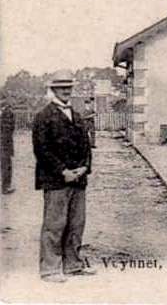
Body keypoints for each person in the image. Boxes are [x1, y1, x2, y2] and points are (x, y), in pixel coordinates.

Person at [32, 70, 95, 282]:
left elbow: (87, 146)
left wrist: (84, 168)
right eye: (61, 87)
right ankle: (49, 269)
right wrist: (63, 171)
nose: (66, 90)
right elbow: (42, 150)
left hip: (78, 180)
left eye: (69, 87)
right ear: (53, 90)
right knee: (54, 225)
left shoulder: (77, 116)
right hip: (56, 180)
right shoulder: (43, 117)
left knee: (76, 223)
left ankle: (73, 265)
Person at [1, 101, 16, 194]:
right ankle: (5, 187)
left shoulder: (6, 111)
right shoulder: (8, 112)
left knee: (5, 164)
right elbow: (9, 128)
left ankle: (6, 187)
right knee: (6, 165)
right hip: (4, 143)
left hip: (4, 143)